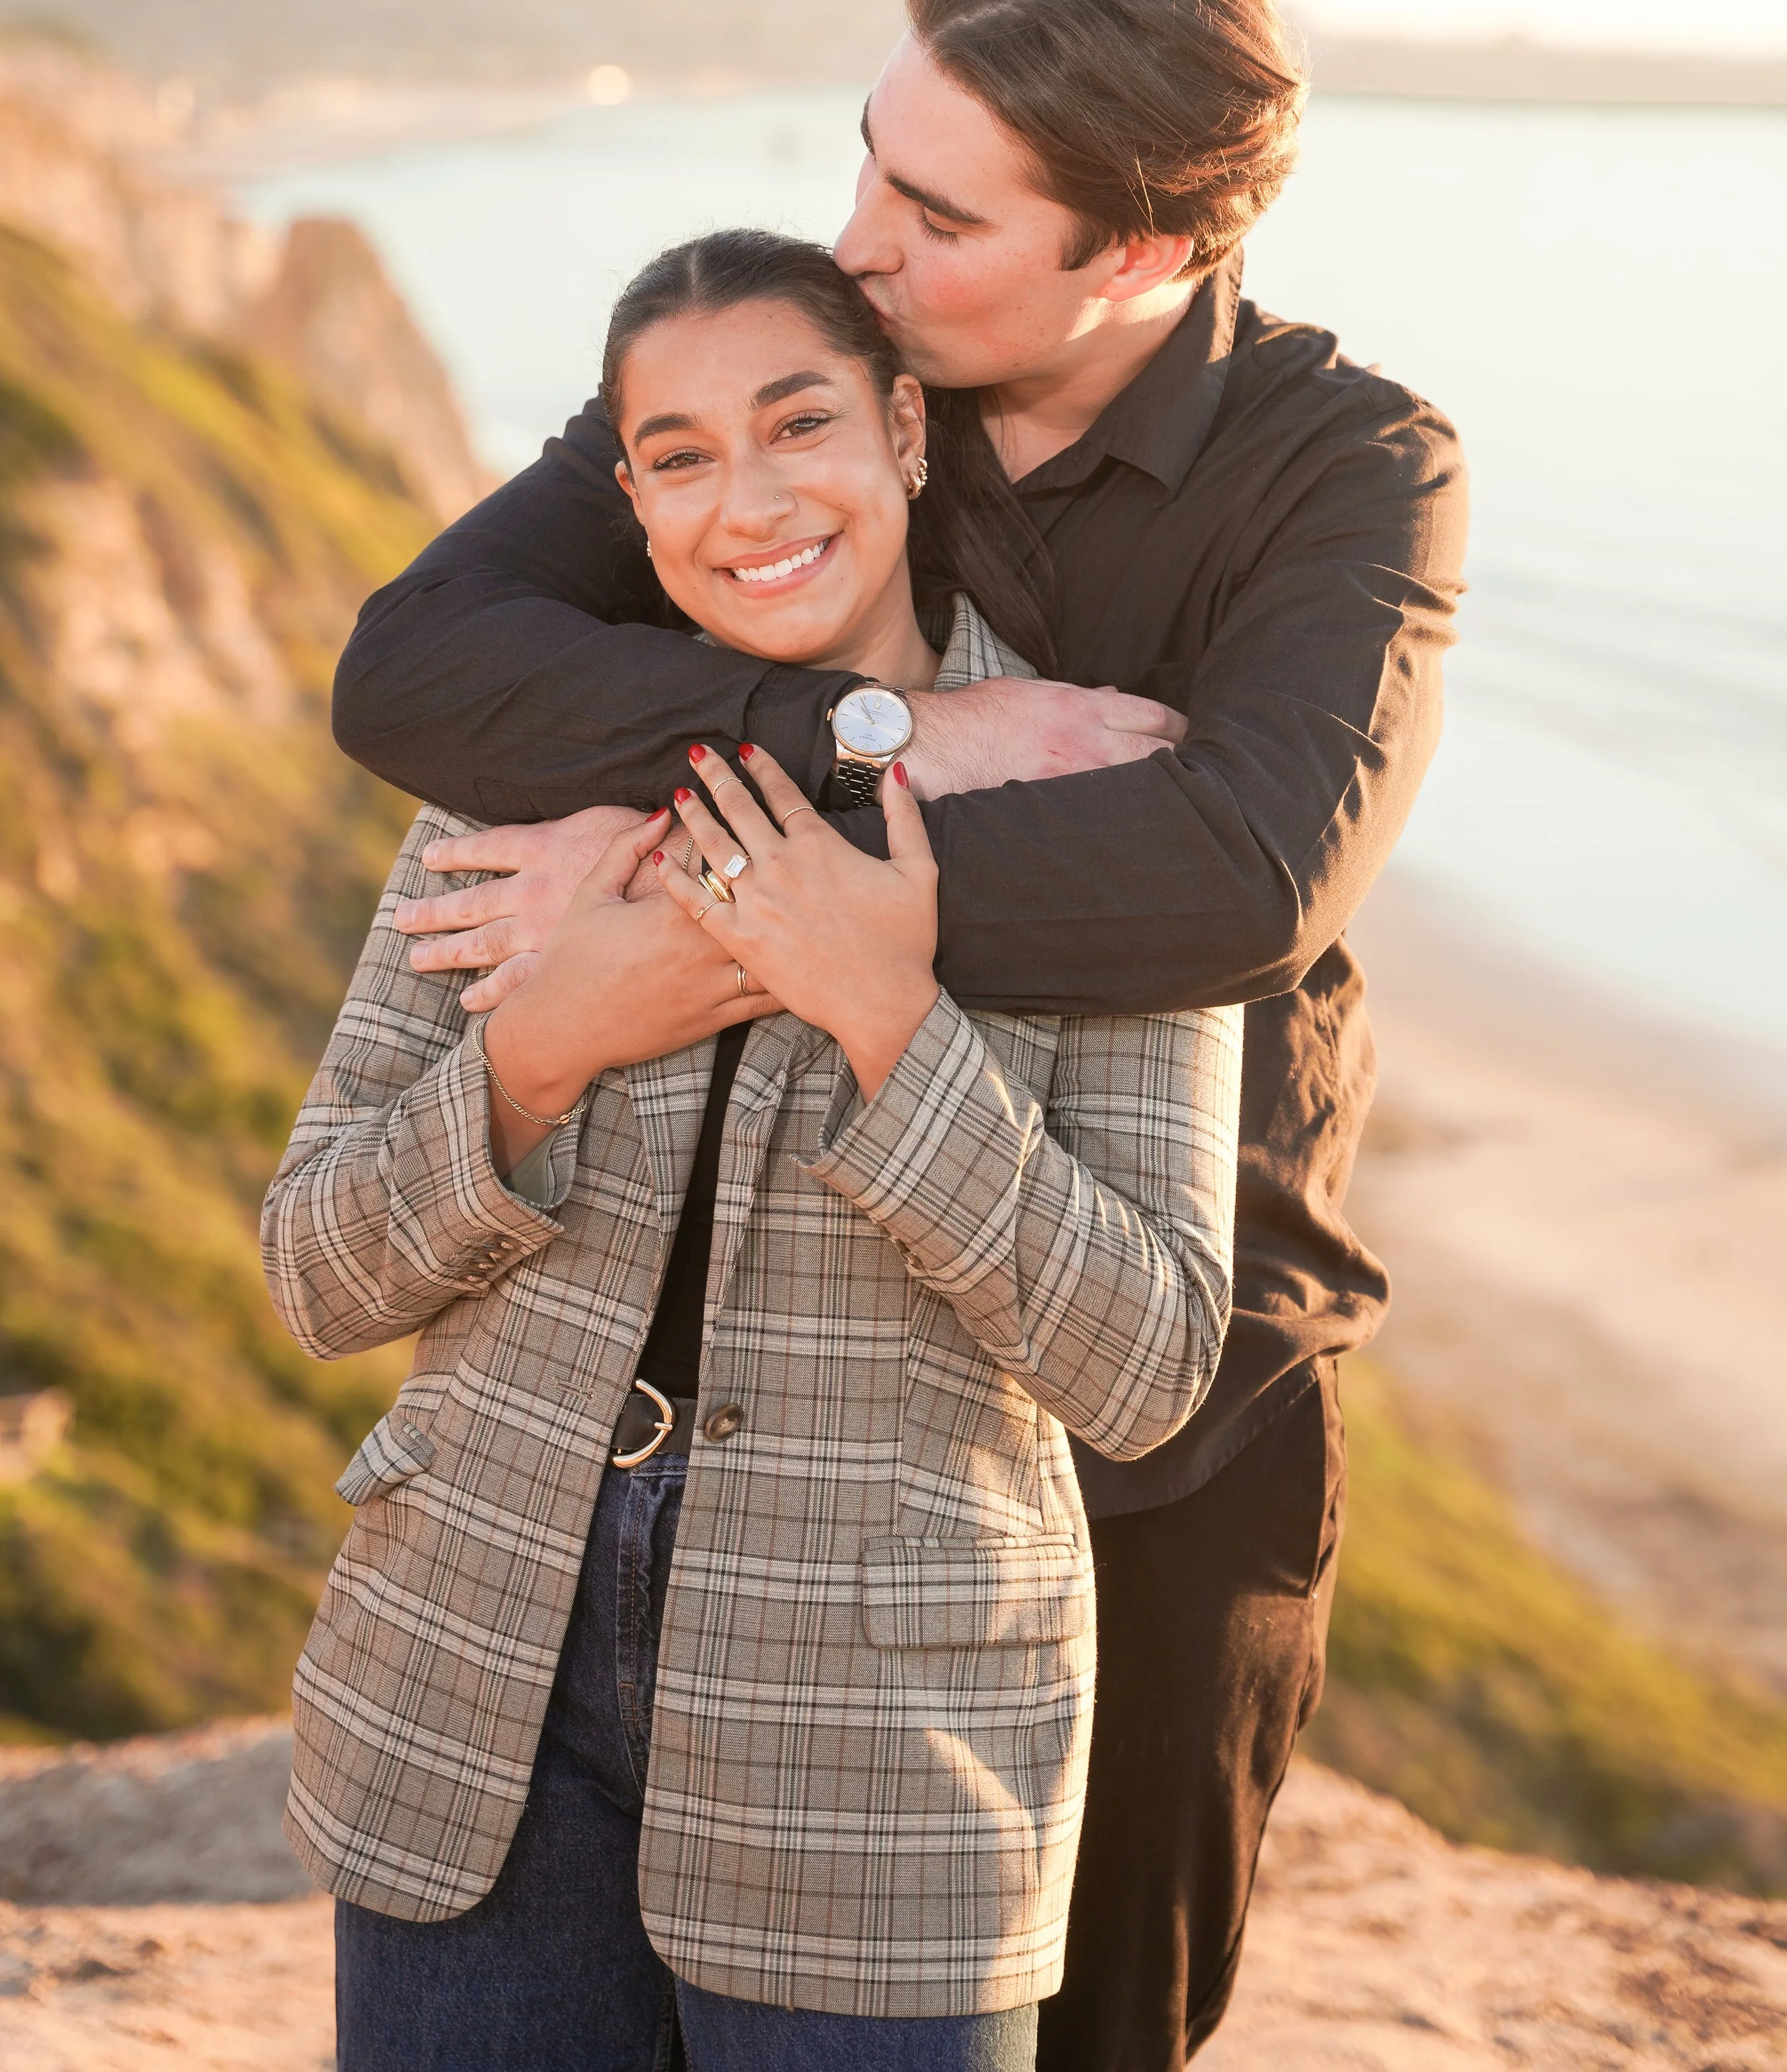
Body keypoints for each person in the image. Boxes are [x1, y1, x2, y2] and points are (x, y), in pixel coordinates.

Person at [332, 0, 1470, 2067]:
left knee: (1098, 2028)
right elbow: (419, 666)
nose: (854, 236)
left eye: (933, 212)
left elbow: (1238, 870)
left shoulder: (1349, 471)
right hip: (755, 1379)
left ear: (1138, 251)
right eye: (865, 151)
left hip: (1162, 1375)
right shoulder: (809, 380)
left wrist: (671, 857)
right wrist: (883, 740)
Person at [266, 231, 1242, 2072]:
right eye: (682, 454)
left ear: (902, 430)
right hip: (468, 1684)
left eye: (799, 425)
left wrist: (889, 1016)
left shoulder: (1097, 778)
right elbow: (316, 1269)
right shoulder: (522, 764)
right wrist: (551, 1044)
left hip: (879, 1759)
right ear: (628, 497)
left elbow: (1149, 1365)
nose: (751, 501)